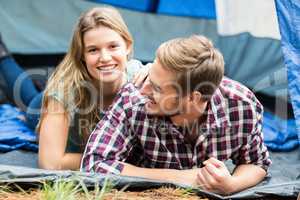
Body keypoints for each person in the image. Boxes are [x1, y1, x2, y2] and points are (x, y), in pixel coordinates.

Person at [81, 35, 271, 195]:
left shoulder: (241, 106)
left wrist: (231, 185)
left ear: (192, 97)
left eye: (156, 87)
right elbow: (94, 165)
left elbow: (256, 162)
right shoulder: (133, 100)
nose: (144, 90)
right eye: (150, 76)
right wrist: (184, 177)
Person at [0, 6, 147, 170]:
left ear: (127, 46)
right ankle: (3, 56)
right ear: (82, 55)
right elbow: (50, 164)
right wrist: (108, 161)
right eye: (93, 50)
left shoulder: (140, 77)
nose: (105, 57)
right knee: (27, 101)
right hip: (42, 105)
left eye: (113, 46)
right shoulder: (64, 92)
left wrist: (154, 69)